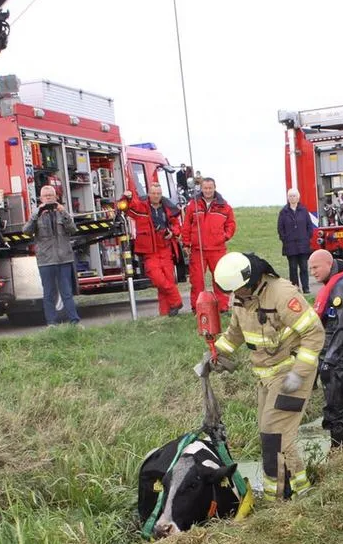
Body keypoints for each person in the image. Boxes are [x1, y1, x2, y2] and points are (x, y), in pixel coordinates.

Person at [197, 252, 325, 501]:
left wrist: (299, 374)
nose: (235, 296)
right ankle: (299, 487)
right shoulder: (241, 297)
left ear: (250, 280)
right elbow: (236, 333)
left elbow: (314, 333)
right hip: (266, 376)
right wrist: (215, 354)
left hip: (290, 374)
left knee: (273, 434)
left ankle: (276, 496)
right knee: (276, 435)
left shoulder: (281, 294)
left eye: (238, 290)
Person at [308, 249, 343, 447]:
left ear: (329, 264)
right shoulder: (331, 288)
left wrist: (330, 360)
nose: (312, 272)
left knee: (337, 410)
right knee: (333, 408)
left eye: (315, 267)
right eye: (310, 269)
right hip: (331, 356)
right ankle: (342, 450)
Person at [122, 182, 184, 317]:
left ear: (161, 195)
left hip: (165, 248)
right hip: (150, 251)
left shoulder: (168, 209)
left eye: (158, 193)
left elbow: (176, 225)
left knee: (167, 281)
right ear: (149, 194)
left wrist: (172, 233)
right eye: (153, 193)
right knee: (158, 279)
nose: (156, 196)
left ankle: (166, 314)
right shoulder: (142, 207)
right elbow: (127, 207)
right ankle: (176, 300)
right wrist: (126, 197)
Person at [183, 177, 237, 312]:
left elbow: (231, 224)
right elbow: (186, 225)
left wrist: (224, 236)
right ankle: (197, 307)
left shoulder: (224, 206)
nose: (207, 191)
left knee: (220, 278)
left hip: (217, 249)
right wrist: (186, 243)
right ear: (201, 188)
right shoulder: (193, 205)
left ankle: (223, 306)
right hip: (198, 249)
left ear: (214, 188)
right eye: (205, 188)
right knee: (197, 281)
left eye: (210, 188)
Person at [32, 183, 79, 326]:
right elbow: (26, 230)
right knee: (48, 293)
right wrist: (37, 214)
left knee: (67, 292)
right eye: (45, 196)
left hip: (64, 258)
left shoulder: (62, 212)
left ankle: (74, 321)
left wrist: (64, 212)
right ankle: (51, 323)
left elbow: (73, 229)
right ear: (41, 199)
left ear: (56, 197)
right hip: (46, 260)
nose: (48, 199)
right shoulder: (37, 214)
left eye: (50, 196)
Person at [277, 189, 314, 292]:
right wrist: (285, 239)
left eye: (294, 196)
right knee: (293, 268)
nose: (292, 198)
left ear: (298, 197)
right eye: (290, 196)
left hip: (303, 244)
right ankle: (295, 288)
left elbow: (309, 226)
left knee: (303, 267)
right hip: (290, 245)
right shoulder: (283, 212)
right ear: (288, 198)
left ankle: (306, 288)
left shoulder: (303, 210)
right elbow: (280, 228)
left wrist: (307, 237)